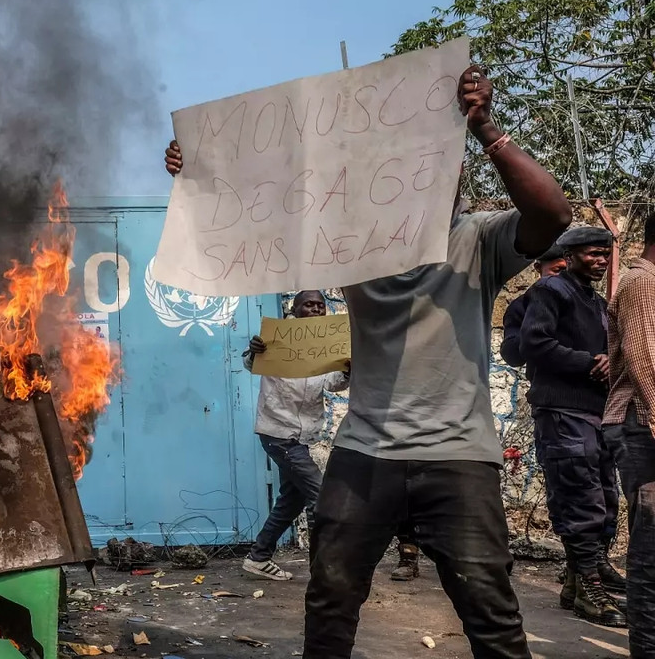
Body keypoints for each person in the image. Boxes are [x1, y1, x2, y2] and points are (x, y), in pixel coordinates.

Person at [163, 64, 571, 658]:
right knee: (329, 600)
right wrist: (199, 169)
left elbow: (554, 216)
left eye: (444, 166)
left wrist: (487, 130)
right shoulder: (350, 246)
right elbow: (255, 215)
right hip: (364, 452)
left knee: (492, 616)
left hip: (457, 456)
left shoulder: (477, 238)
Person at [520, 225, 625, 626]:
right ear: (571, 253)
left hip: (594, 411)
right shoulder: (551, 292)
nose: (600, 261)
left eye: (605, 255)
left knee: (602, 497)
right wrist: (588, 362)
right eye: (592, 254)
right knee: (580, 497)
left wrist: (606, 358)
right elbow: (534, 343)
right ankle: (588, 589)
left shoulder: (595, 301)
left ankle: (580, 582)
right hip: (562, 410)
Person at [241, 290, 349, 581]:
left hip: (301, 435)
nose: (315, 309)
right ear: (295, 308)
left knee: (293, 499)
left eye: (320, 305)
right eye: (308, 304)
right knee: (320, 496)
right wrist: (254, 351)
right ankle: (323, 571)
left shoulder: (326, 343)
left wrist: (348, 371)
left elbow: (333, 383)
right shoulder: (276, 338)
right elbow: (251, 364)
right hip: (278, 432)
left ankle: (258, 556)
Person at [605, 214, 655, 655]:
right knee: (650, 549)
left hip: (648, 422)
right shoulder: (643, 284)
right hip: (643, 423)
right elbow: (645, 365)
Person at [499, 244, 568, 368]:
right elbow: (512, 356)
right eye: (557, 270)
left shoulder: (590, 301)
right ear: (538, 268)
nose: (562, 278)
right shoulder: (522, 305)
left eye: (568, 272)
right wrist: (533, 332)